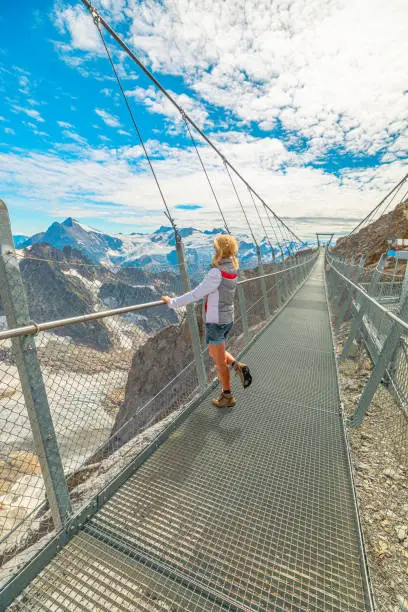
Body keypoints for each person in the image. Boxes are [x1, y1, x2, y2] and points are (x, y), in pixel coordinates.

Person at [161, 234, 252, 408]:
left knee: (218, 362)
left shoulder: (216, 273)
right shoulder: (232, 268)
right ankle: (237, 365)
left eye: (214, 248)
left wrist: (172, 302)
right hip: (226, 319)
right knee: (214, 353)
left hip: (215, 321)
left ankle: (227, 396)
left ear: (218, 250)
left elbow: (196, 293)